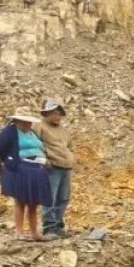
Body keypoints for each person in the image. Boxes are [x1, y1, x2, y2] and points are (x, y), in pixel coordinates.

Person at [0, 114, 52, 241]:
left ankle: (34, 233)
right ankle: (19, 232)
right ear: (17, 121)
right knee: (21, 201)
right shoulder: (11, 131)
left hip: (37, 169)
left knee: (33, 202)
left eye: (30, 122)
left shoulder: (32, 132)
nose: (28, 125)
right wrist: (9, 161)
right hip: (22, 168)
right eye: (25, 122)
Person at [34, 99, 75, 240]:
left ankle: (58, 226)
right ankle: (49, 227)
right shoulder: (40, 126)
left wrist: (70, 157)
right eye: (54, 113)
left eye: (59, 114)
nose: (58, 116)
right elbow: (35, 145)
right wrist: (44, 161)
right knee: (49, 197)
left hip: (66, 167)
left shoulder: (62, 129)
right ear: (47, 113)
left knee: (63, 198)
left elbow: (69, 145)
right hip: (51, 167)